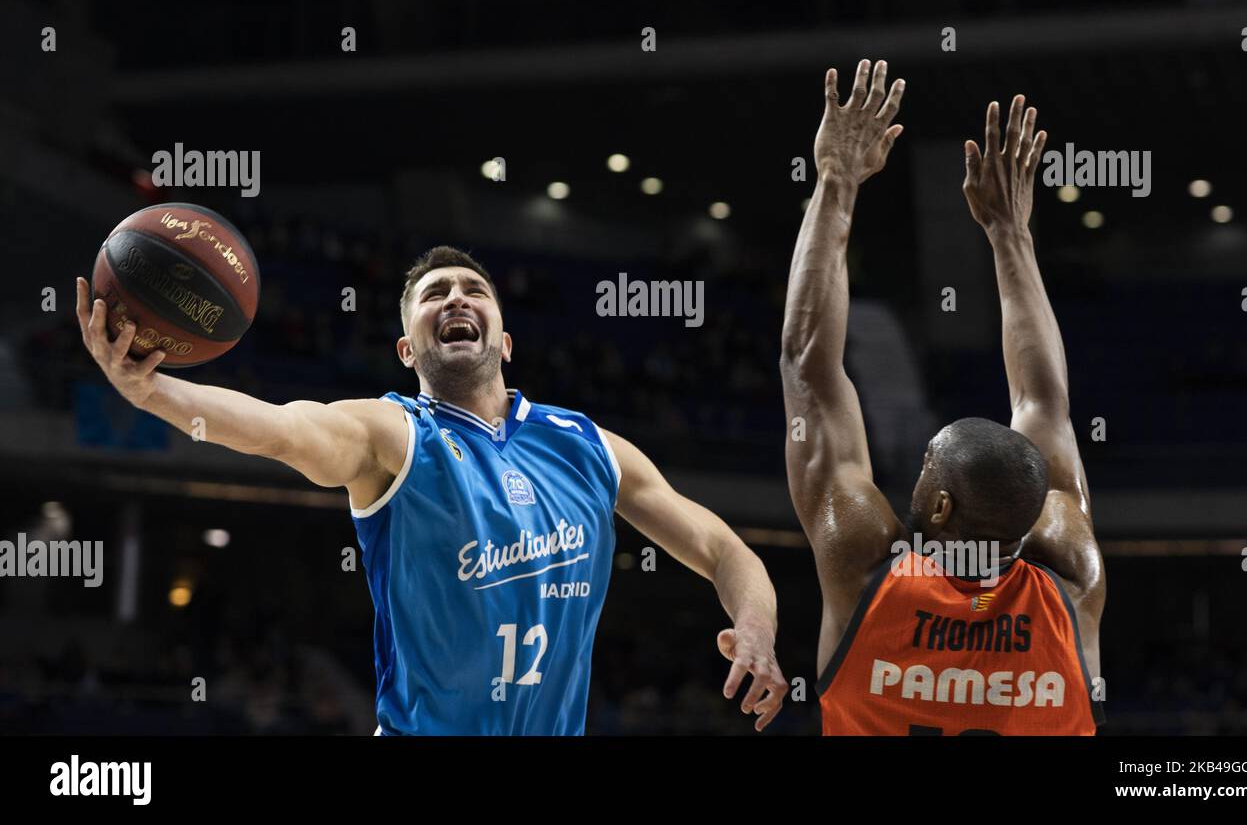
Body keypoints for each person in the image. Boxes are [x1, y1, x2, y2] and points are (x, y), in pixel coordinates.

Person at [76, 245, 788, 734]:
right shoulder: (391, 435)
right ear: (407, 348)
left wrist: (755, 626)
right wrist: (156, 392)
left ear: (505, 341)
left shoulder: (588, 446)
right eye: (434, 294)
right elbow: (279, 431)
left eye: (474, 290)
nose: (457, 298)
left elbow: (723, 549)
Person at [779, 60, 1104, 734]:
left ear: (942, 503)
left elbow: (808, 365)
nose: (916, 472)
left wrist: (837, 182)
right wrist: (1012, 236)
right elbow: (1045, 403)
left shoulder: (862, 564)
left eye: (928, 464)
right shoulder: (1073, 575)